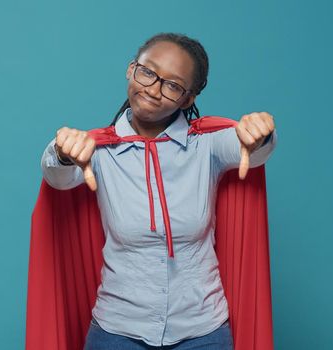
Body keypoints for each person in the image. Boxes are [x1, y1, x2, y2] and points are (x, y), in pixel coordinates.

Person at [39, 32, 277, 349]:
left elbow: (250, 147)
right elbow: (57, 176)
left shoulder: (206, 144)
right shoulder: (98, 149)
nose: (153, 90)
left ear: (188, 98)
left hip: (202, 331)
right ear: (131, 69)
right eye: (148, 72)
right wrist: (63, 152)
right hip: (117, 331)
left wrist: (259, 134)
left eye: (173, 85)